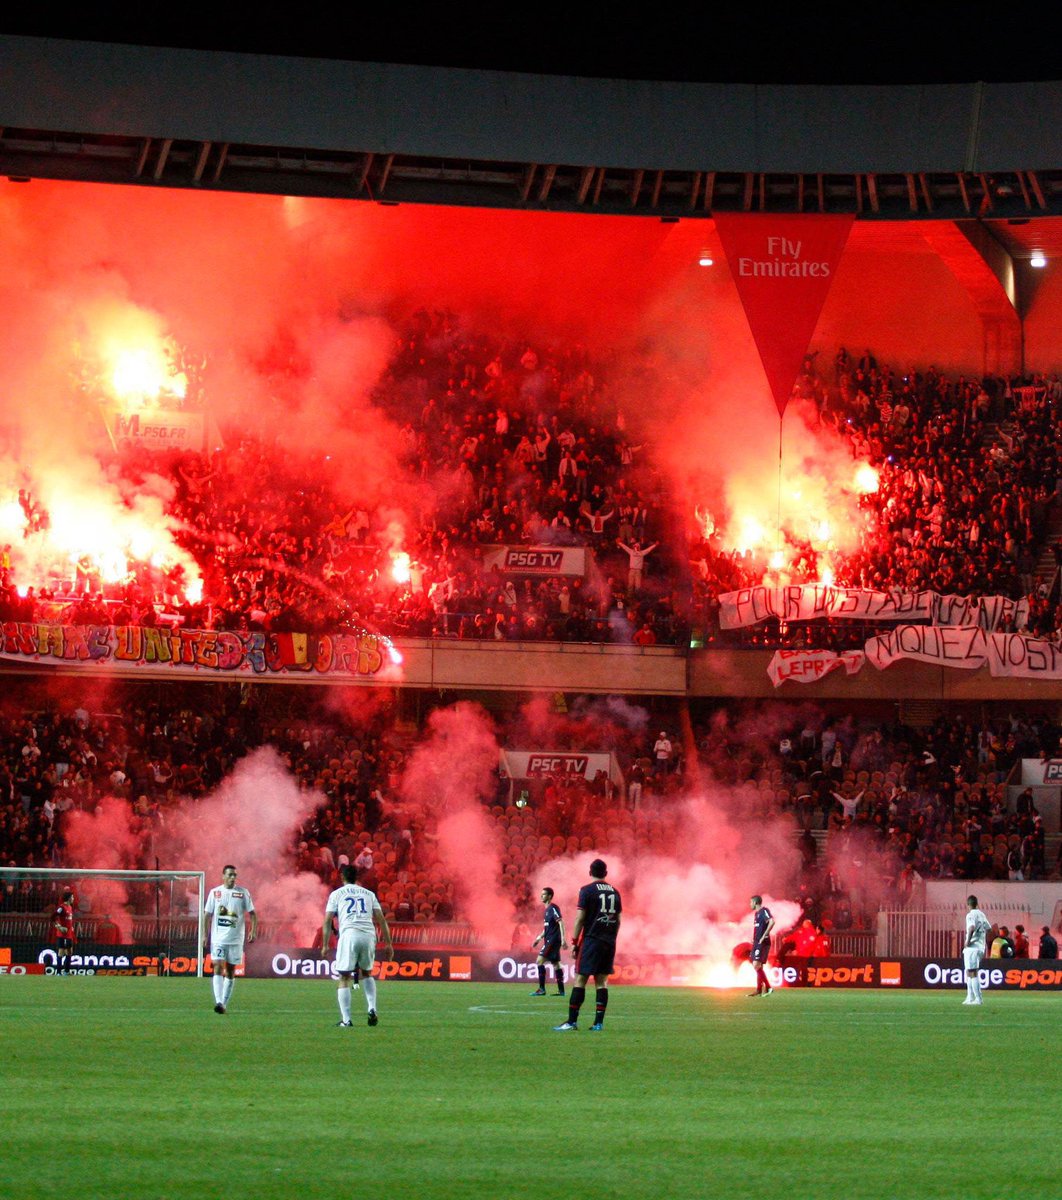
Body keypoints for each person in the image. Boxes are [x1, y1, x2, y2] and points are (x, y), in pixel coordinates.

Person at [321, 863, 394, 1027]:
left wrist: (325, 945)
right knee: (367, 973)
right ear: (357, 878)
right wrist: (389, 944)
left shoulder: (336, 894)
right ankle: (372, 1008)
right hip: (368, 935)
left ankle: (346, 1020)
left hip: (349, 935)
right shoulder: (369, 894)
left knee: (344, 977)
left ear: (342, 877)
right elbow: (381, 920)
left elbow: (327, 921)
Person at [554, 859, 621, 1032]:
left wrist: (575, 942)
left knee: (580, 979)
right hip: (609, 941)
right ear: (606, 873)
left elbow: (580, 918)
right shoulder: (615, 892)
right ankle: (598, 1023)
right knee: (602, 982)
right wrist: (611, 937)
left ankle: (571, 1021)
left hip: (591, 940)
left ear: (589, 872)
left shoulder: (586, 890)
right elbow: (618, 920)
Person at [204, 864, 257, 1015]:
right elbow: (207, 915)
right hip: (218, 939)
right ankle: (219, 1001)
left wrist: (253, 931)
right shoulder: (215, 893)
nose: (233, 877)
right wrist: (204, 935)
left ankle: (224, 1004)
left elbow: (253, 913)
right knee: (217, 967)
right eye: (230, 875)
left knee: (231, 971)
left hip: (236, 940)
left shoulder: (242, 893)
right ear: (223, 876)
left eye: (235, 875)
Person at [530, 886, 567, 996]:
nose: (541, 896)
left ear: (550, 896)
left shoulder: (553, 908)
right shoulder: (547, 910)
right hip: (550, 939)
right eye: (541, 894)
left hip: (553, 940)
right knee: (556, 964)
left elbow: (561, 922)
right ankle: (561, 991)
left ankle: (542, 989)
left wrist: (563, 939)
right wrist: (539, 938)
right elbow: (547, 928)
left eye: (544, 894)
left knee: (539, 961)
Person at [963, 894, 991, 1005]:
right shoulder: (982, 914)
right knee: (969, 972)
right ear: (977, 904)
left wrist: (968, 941)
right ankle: (969, 997)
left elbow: (971, 927)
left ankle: (978, 999)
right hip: (980, 947)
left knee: (972, 973)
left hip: (972, 948)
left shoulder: (970, 915)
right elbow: (989, 928)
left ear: (968, 905)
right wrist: (982, 938)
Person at [748, 895, 776, 997]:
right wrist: (755, 938)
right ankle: (759, 990)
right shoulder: (756, 914)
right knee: (757, 966)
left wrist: (764, 935)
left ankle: (768, 987)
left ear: (755, 903)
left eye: (751, 902)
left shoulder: (764, 910)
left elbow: (772, 922)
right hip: (757, 942)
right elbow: (759, 928)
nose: (750, 904)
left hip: (762, 942)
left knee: (756, 965)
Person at [52, 887, 76, 974]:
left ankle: (66, 971)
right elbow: (53, 917)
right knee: (61, 952)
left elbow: (68, 920)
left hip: (69, 934)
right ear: (69, 898)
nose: (73, 899)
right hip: (62, 934)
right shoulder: (62, 907)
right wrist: (59, 927)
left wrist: (71, 926)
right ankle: (58, 972)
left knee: (70, 952)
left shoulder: (70, 907)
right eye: (72, 897)